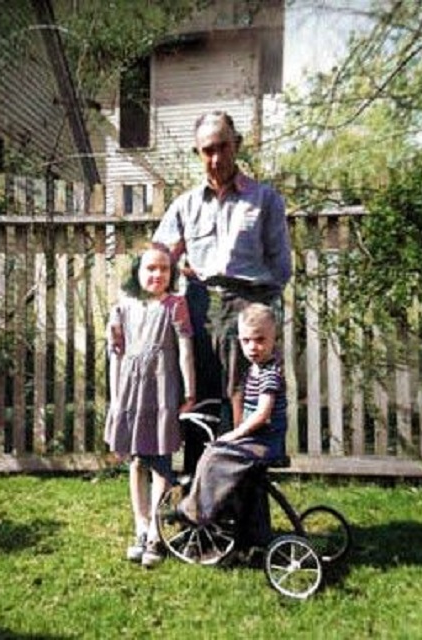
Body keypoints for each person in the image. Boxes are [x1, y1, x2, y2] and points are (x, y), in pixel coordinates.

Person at [153, 111, 291, 462]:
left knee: (242, 396)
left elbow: (281, 268)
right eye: (207, 151)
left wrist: (260, 315)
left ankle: (242, 488)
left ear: (237, 145)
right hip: (199, 303)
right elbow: (158, 259)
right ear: (197, 153)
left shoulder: (265, 200)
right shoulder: (185, 205)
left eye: (223, 147)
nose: (216, 159)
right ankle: (198, 486)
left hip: (248, 305)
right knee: (198, 394)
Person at [104, 242, 196, 568]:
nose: (157, 274)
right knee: (137, 461)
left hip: (162, 392)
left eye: (164, 269)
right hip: (130, 393)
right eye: (150, 268)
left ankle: (157, 533)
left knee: (160, 462)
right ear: (137, 271)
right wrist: (116, 398)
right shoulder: (123, 307)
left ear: (172, 273)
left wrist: (189, 392)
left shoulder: (176, 305)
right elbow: (116, 356)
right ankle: (141, 527)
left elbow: (185, 351)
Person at [174, 303, 287, 544]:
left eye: (260, 340)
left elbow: (262, 414)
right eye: (246, 341)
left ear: (273, 338)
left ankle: (198, 511)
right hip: (257, 439)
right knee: (212, 454)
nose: (253, 347)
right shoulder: (255, 369)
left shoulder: (269, 374)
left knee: (215, 456)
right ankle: (201, 508)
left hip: (265, 442)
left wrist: (235, 435)